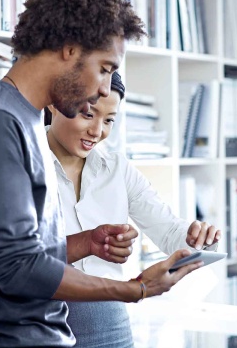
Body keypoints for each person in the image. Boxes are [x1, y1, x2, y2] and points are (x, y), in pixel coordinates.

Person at [0, 0, 205, 348]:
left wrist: (86, 243)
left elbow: (19, 253)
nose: (103, 88)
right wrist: (136, 288)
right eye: (105, 69)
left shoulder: (22, 119)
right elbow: (16, 269)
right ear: (69, 48)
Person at [45, 71, 222, 347]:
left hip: (111, 324)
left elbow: (168, 230)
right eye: (88, 114)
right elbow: (19, 256)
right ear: (54, 103)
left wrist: (193, 236)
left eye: (109, 120)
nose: (97, 131)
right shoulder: (25, 164)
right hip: (43, 322)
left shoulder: (118, 170)